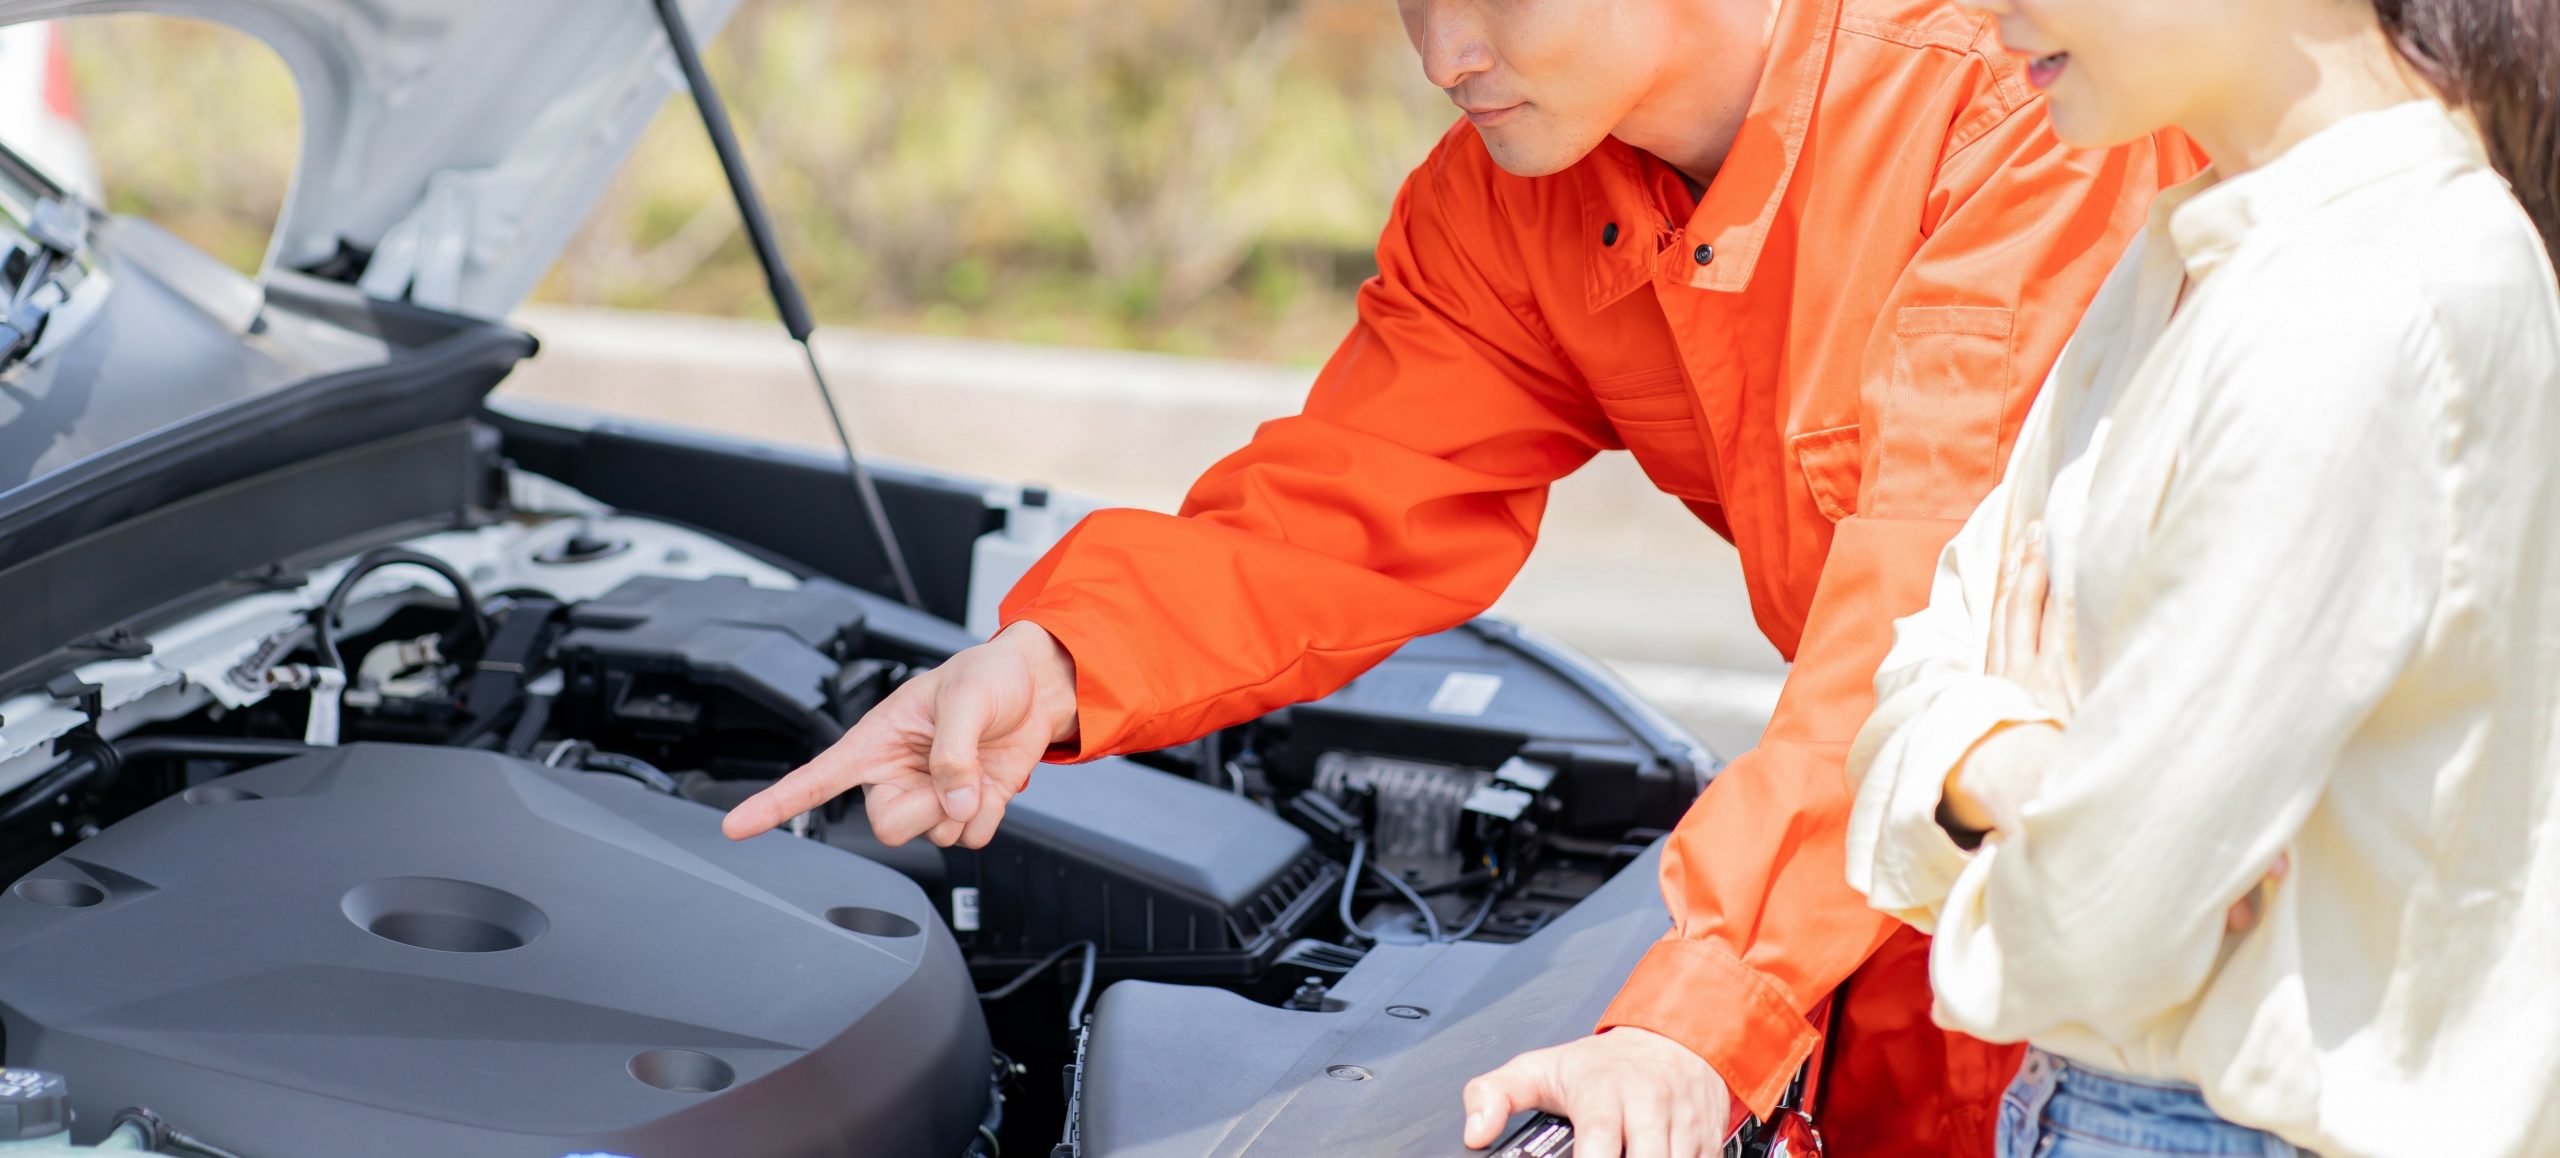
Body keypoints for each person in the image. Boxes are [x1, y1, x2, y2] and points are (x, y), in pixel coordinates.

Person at [727, 0, 2197, 1153]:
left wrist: (1701, 1014)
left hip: (2177, 942)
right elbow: (1340, 506)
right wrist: (1049, 665)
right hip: (1883, 886)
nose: (1442, 52)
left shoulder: (2016, 111)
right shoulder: (1517, 199)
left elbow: (1922, 617)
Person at [1841, 0, 2560, 1154]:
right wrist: (2018, 758)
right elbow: (1915, 679)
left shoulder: (2369, 292)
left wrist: (2009, 810)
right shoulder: (2199, 257)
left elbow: (2102, 917)